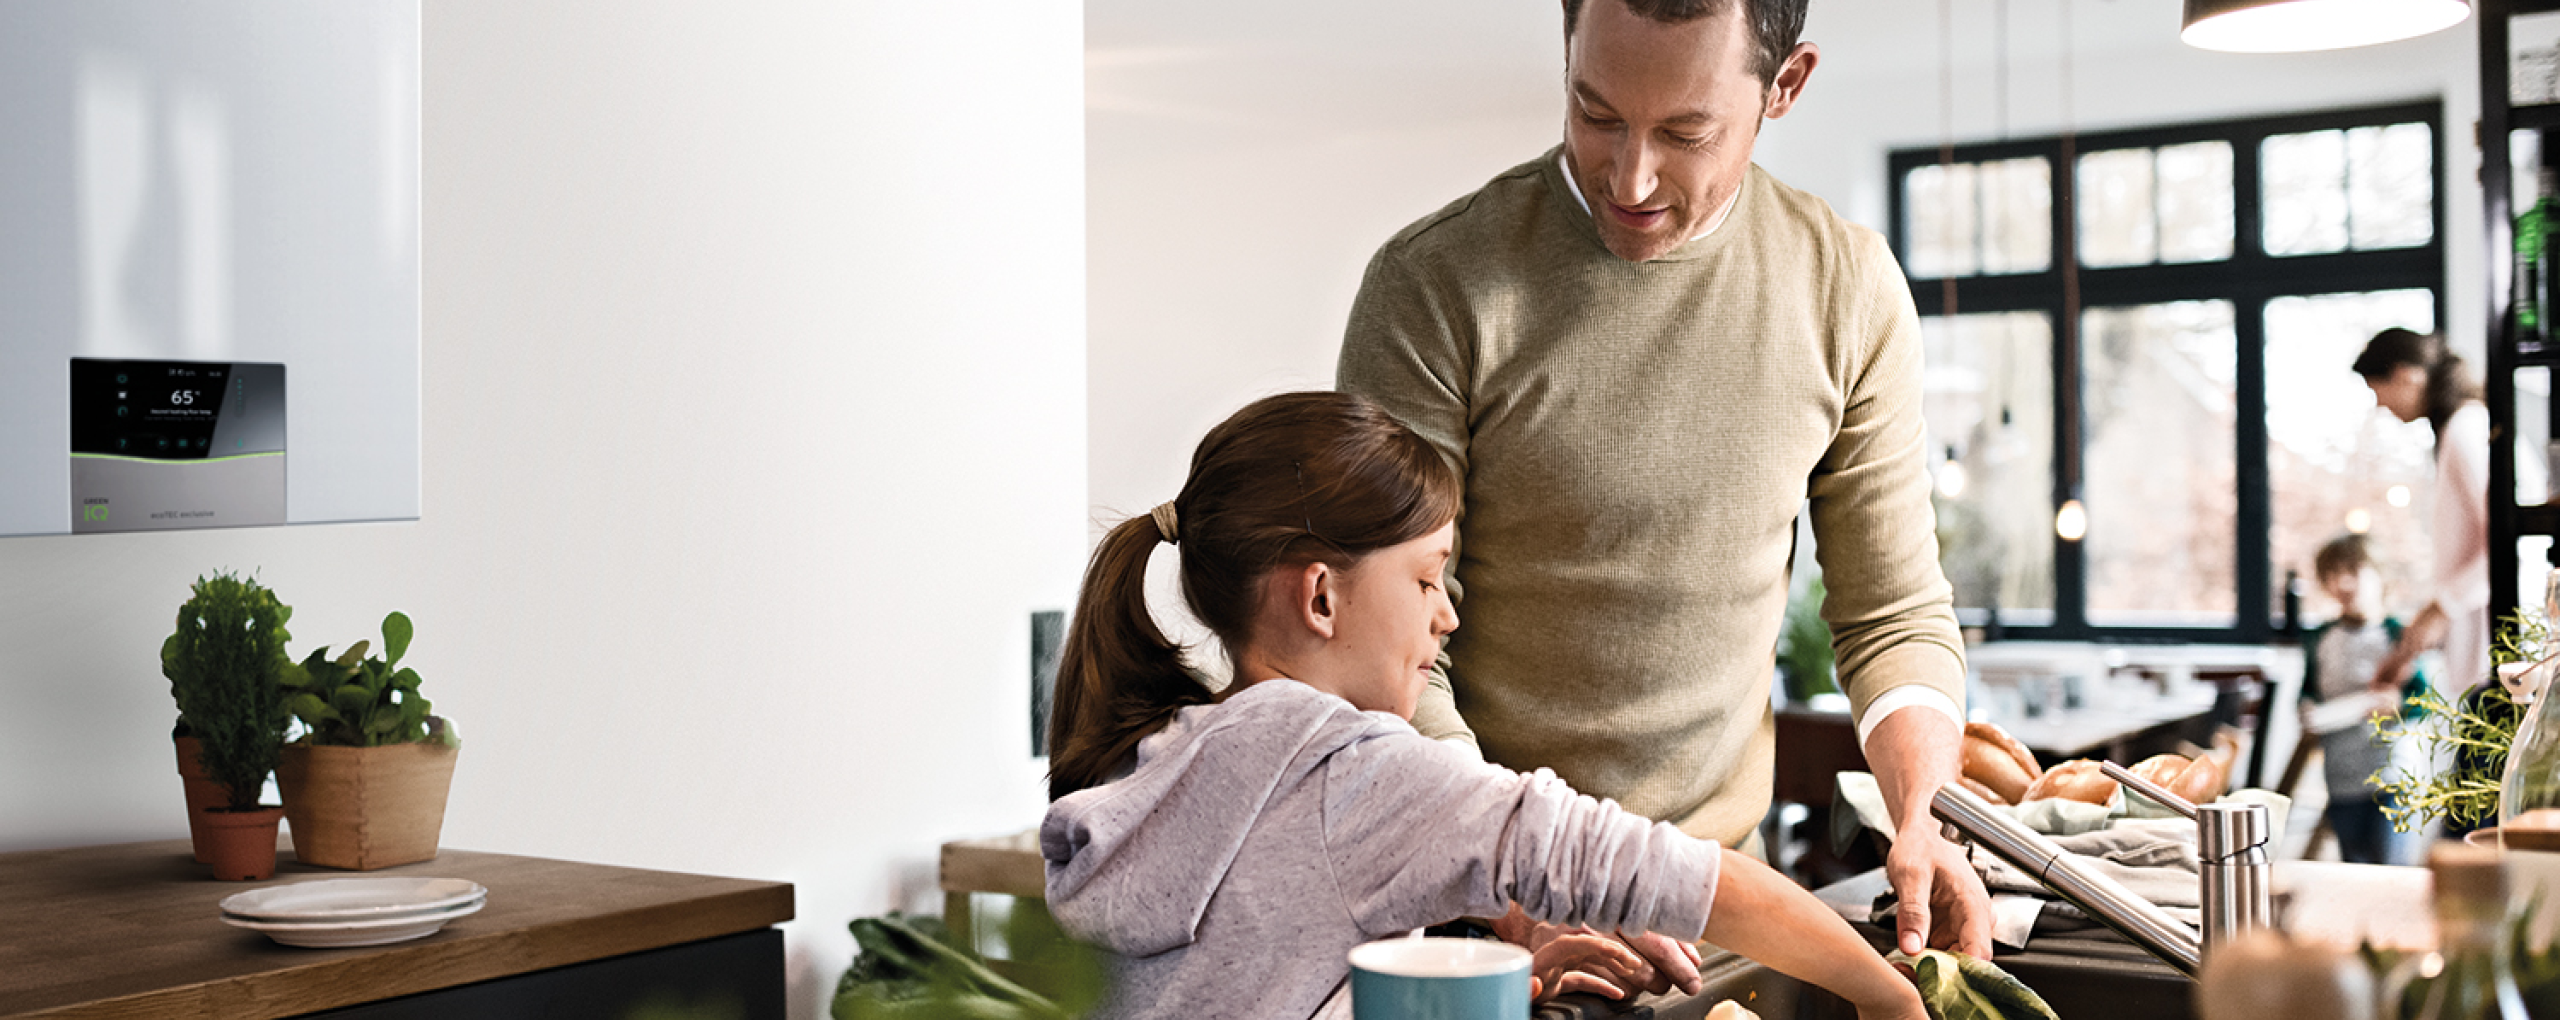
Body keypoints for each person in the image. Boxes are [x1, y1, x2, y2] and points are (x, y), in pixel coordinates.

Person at [1334, 0, 1990, 967]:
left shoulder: (1846, 289)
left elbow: (1892, 615)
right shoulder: (1433, 285)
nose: (1630, 177)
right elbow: (1379, 647)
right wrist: (1521, 878)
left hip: (1725, 910)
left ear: (1785, 85)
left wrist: (1926, 816)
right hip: (1477, 922)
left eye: (1685, 133)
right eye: (1595, 113)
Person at [1040, 391, 1927, 1020]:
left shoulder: (1163, 752)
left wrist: (1492, 965)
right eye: (1427, 577)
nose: (1447, 614)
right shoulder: (1348, 768)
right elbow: (1682, 877)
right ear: (1320, 597)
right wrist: (1888, 996)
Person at [2354, 329, 2489, 707]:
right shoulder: (2458, 428)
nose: (2380, 405)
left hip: (2494, 647)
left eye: (2377, 389)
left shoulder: (2466, 428)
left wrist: (2442, 608)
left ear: (2405, 375)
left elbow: (2502, 541)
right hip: (2480, 646)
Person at [2296, 534, 2420, 865]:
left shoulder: (2399, 635)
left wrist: (2398, 703)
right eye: (2332, 574)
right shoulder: (2320, 639)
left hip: (2391, 777)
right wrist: (2306, 711)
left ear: (2379, 574)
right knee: (2354, 865)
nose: (2343, 583)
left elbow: (2423, 700)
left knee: (2392, 869)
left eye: (2353, 571)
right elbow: (2308, 693)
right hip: (2340, 780)